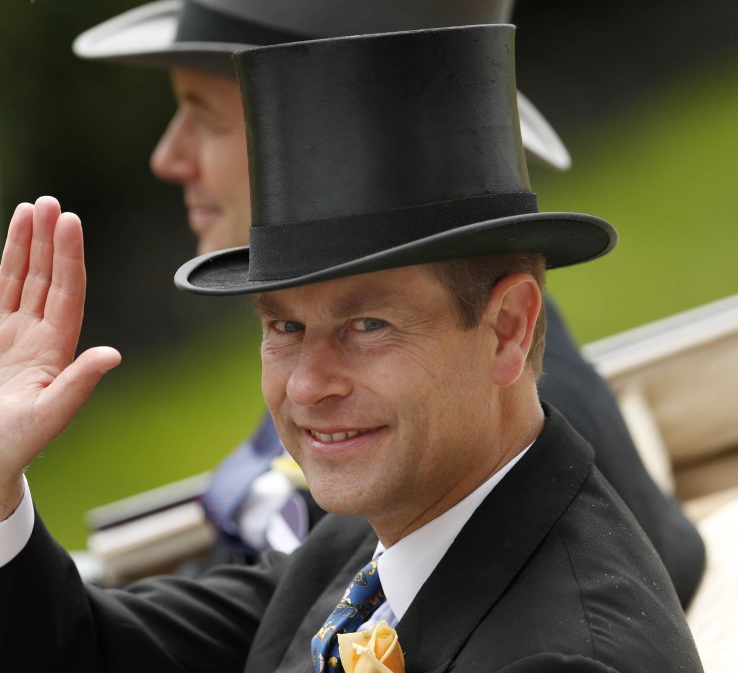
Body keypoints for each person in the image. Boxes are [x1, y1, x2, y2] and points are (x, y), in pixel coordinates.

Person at [0, 26, 702, 672]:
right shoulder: (374, 540)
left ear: (508, 328)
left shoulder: (566, 655)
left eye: (367, 325)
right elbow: (86, 653)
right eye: (281, 325)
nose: (306, 383)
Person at [75, 0, 706, 604]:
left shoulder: (473, 437)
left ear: (333, 125)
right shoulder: (349, 372)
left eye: (205, 113)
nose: (167, 157)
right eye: (287, 327)